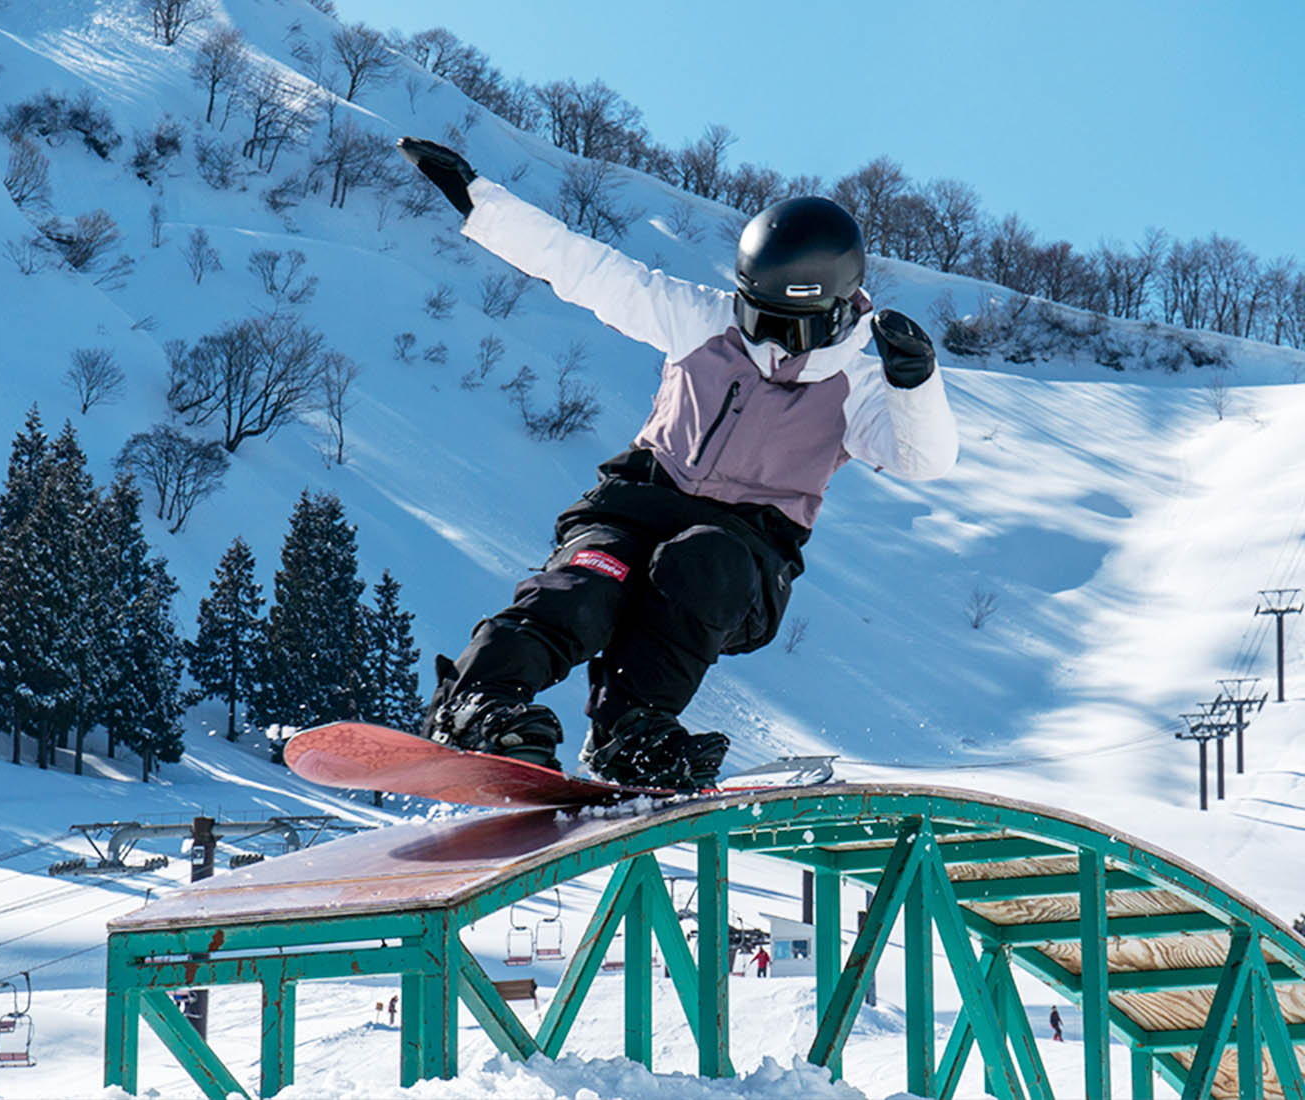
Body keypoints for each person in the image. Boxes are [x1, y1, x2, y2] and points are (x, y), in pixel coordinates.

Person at [397, 137, 959, 790]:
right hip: (634, 508)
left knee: (702, 560)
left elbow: (924, 459)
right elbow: (589, 270)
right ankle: (478, 702)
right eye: (755, 318)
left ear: (834, 316)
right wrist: (481, 202)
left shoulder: (855, 388)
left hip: (741, 555)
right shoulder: (700, 320)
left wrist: (914, 384)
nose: (766, 345)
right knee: (586, 583)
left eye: (788, 330)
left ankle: (629, 731)